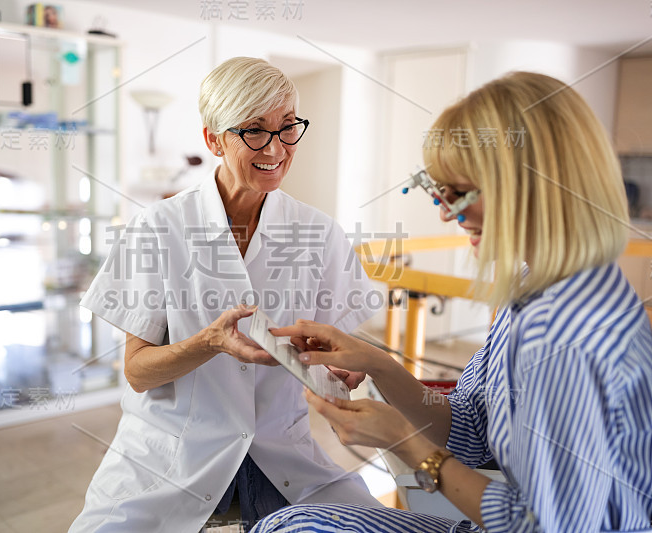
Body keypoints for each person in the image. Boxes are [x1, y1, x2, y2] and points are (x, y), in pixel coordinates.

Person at [252, 71, 652, 532]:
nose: (445, 211)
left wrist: (407, 443)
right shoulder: (528, 292)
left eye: (460, 193)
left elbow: (543, 524)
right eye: (438, 190)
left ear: (531, 185)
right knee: (295, 523)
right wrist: (380, 364)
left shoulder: (566, 329)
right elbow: (470, 431)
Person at [69, 57, 384, 532]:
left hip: (283, 450)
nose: (276, 148)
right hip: (171, 452)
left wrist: (342, 366)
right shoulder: (157, 229)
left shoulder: (319, 234)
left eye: (286, 127)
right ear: (213, 139)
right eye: (255, 130)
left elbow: (337, 349)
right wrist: (209, 342)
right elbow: (138, 374)